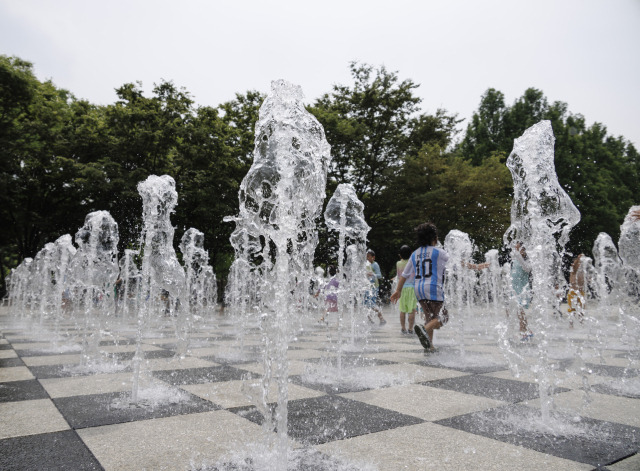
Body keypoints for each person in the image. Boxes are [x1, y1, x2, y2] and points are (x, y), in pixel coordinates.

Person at [390, 222, 449, 350]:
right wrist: (474, 266)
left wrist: (398, 290)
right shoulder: (439, 252)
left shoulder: (415, 253)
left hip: (418, 289)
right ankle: (424, 329)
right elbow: (455, 262)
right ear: (435, 238)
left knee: (430, 317)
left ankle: (429, 346)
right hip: (433, 288)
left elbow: (404, 275)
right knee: (443, 317)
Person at [511, 241, 533, 341]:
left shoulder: (527, 260)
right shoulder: (515, 260)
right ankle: (526, 329)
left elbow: (527, 269)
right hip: (515, 287)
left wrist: (519, 257)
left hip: (522, 288)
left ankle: (523, 330)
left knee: (520, 309)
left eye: (519, 249)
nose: (517, 250)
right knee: (517, 310)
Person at [396, 245, 418, 334]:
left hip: (402, 288)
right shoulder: (413, 262)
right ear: (411, 253)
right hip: (412, 288)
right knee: (412, 310)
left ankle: (403, 328)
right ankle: (410, 328)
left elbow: (398, 276)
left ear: (400, 255)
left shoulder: (398, 263)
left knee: (402, 309)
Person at [365, 249, 386, 325]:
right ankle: (370, 321)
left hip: (374, 287)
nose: (367, 258)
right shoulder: (366, 264)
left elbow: (379, 276)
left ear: (373, 257)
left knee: (372, 304)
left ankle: (381, 318)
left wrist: (372, 274)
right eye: (366, 256)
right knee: (366, 304)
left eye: (368, 256)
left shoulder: (375, 264)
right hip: (367, 286)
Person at [567, 253, 587, 326]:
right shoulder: (573, 269)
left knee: (582, 309)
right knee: (572, 309)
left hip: (581, 292)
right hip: (573, 292)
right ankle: (571, 324)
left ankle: (581, 323)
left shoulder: (583, 270)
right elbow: (574, 266)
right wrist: (578, 259)